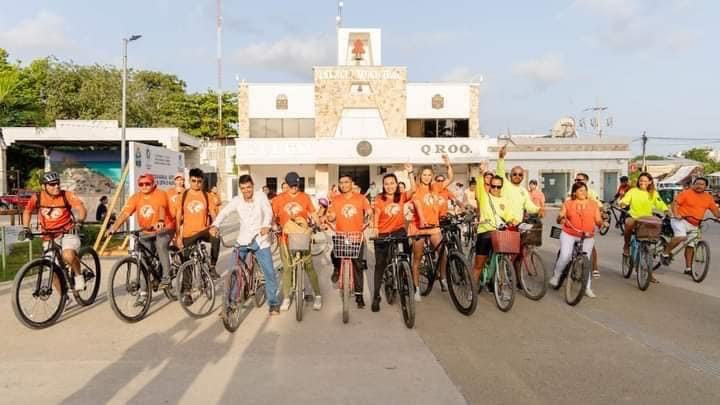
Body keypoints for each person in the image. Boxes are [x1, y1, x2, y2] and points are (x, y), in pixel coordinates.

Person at [210, 175, 280, 315]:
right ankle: (229, 303)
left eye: (248, 187)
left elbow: (268, 212)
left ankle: (273, 302)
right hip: (242, 240)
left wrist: (266, 226)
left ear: (253, 185)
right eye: (243, 188)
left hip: (260, 239)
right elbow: (224, 212)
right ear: (240, 189)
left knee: (269, 272)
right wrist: (215, 225)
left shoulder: (261, 197)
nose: (246, 190)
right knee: (233, 270)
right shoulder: (237, 200)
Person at [21, 171, 87, 291]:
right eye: (52, 184)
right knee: (52, 268)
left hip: (67, 232)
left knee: (68, 255)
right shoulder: (37, 197)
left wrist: (79, 221)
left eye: (58, 183)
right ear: (43, 186)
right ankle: (64, 297)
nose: (56, 186)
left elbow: (81, 208)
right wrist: (26, 228)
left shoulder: (66, 195)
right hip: (49, 235)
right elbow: (27, 211)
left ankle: (78, 276)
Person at [108, 173, 175, 286]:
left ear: (154, 184)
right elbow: (125, 213)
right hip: (147, 231)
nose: (144, 186)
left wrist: (160, 221)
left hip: (165, 228)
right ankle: (143, 293)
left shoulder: (160, 194)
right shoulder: (136, 197)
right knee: (144, 258)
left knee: (160, 246)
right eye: (141, 184)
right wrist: (114, 227)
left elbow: (161, 208)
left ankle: (166, 276)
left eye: (147, 184)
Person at [272, 171, 323, 312]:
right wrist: (273, 225)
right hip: (285, 238)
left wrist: (318, 224)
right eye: (292, 185)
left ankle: (318, 295)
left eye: (297, 185)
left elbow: (312, 213)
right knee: (287, 268)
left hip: (302, 236)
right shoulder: (278, 199)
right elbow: (273, 216)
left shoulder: (305, 197)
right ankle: (287, 297)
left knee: (309, 266)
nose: (295, 188)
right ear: (286, 185)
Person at [549, 182, 605, 298]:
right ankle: (556, 275)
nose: (583, 192)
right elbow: (560, 217)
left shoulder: (593, 204)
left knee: (587, 261)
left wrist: (602, 224)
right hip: (569, 233)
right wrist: (561, 218)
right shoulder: (568, 203)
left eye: (585, 190)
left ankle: (587, 288)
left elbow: (598, 219)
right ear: (574, 192)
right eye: (580, 190)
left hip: (587, 236)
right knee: (565, 255)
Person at [409, 154, 453, 301]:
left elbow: (450, 178)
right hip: (418, 227)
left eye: (429, 175)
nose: (427, 177)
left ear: (432, 176)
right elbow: (411, 186)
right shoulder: (416, 188)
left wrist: (448, 165)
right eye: (424, 174)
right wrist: (409, 171)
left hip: (434, 226)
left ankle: (443, 278)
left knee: (443, 253)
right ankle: (416, 288)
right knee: (417, 258)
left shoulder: (435, 187)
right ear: (420, 176)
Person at [370, 167, 414, 312]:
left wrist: (410, 173)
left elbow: (413, 189)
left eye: (392, 183)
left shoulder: (401, 196)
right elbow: (376, 214)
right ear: (383, 186)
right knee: (380, 266)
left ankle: (405, 279)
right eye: (386, 184)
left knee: (405, 257)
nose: (389, 186)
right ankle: (376, 296)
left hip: (399, 232)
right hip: (383, 234)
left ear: (396, 184)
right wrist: (375, 228)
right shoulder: (379, 198)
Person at [327, 174, 372, 308]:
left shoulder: (361, 198)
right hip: (341, 235)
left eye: (346, 182)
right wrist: (329, 217)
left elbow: (368, 210)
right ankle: (336, 269)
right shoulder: (336, 199)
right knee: (334, 254)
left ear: (352, 183)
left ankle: (359, 295)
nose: (343, 185)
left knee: (358, 266)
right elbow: (331, 215)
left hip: (356, 236)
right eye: (341, 183)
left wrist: (369, 214)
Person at [471, 161, 517, 287]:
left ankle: (498, 283)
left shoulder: (504, 200)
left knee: (503, 257)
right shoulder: (484, 196)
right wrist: (482, 171)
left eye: (499, 186)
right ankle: (472, 290)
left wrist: (512, 220)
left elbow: (508, 215)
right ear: (489, 186)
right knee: (478, 265)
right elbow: (480, 182)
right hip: (485, 232)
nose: (496, 189)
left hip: (499, 233)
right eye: (493, 186)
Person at [662, 177, 720, 275]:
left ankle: (688, 268)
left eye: (702, 184)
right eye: (697, 183)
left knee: (690, 246)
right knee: (681, 237)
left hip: (695, 224)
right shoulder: (686, 193)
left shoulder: (708, 198)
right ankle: (665, 253)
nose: (699, 186)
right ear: (693, 184)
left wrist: (718, 217)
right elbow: (675, 204)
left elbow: (715, 211)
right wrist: (676, 214)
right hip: (680, 220)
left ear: (706, 186)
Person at [619, 172, 669, 283]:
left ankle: (649, 273)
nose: (643, 183)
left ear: (650, 182)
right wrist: (622, 203)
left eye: (645, 181)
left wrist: (666, 210)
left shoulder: (653, 193)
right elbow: (625, 200)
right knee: (628, 224)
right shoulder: (633, 191)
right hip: (634, 217)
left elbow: (660, 204)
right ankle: (626, 246)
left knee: (651, 246)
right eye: (641, 180)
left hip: (647, 220)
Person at [176, 168, 221, 280]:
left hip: (203, 230)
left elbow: (213, 213)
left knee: (216, 237)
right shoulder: (183, 195)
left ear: (202, 182)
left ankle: (212, 266)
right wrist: (178, 236)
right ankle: (186, 292)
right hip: (188, 234)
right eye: (194, 181)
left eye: (199, 181)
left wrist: (215, 226)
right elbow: (178, 217)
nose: (196, 184)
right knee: (186, 263)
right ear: (189, 180)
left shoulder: (206, 195)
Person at [497, 145, 540, 220]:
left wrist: (539, 209)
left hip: (517, 226)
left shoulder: (523, 191)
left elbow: (529, 206)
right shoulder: (505, 184)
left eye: (520, 174)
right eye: (514, 174)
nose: (517, 176)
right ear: (510, 175)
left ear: (523, 177)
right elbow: (500, 171)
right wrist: (501, 158)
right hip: (504, 225)